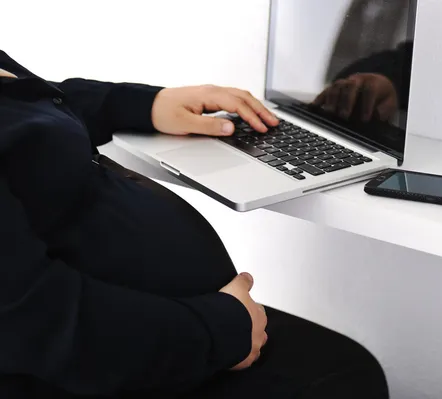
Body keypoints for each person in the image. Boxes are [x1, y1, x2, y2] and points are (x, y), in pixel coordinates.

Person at [0, 50, 389, 398]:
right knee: (343, 373)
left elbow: (22, 105)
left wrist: (144, 103)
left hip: (143, 327)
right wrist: (220, 333)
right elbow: (30, 326)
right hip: (89, 364)